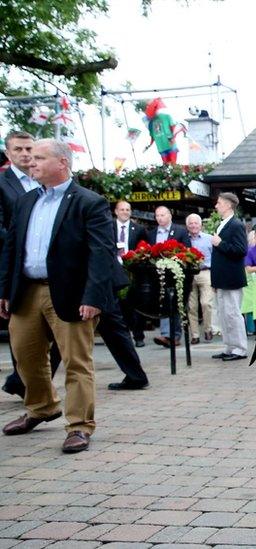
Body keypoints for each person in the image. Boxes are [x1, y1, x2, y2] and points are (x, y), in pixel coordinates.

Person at [0, 139, 116, 453]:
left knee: (76, 362)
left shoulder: (88, 202)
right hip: (26, 291)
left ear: (62, 163)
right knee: (25, 356)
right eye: (29, 157)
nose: (30, 162)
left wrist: (93, 296)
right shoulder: (25, 201)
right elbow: (12, 247)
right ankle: (42, 406)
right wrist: (5, 290)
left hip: (71, 294)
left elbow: (101, 253)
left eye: (39, 157)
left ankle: (79, 426)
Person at [0, 131, 58, 398]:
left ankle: (26, 384)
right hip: (16, 270)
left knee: (58, 337)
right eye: (19, 149)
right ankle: (29, 390)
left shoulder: (48, 183)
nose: (25, 155)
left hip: (53, 273)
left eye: (29, 149)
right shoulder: (3, 184)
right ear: (8, 153)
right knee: (22, 337)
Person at [210, 192, 248, 362]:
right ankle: (229, 346)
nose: (216, 206)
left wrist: (220, 243)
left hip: (232, 278)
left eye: (219, 203)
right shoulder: (223, 224)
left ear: (227, 205)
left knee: (233, 313)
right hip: (222, 278)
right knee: (224, 314)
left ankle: (240, 348)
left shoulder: (236, 225)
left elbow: (241, 250)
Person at [149, 205, 190, 347]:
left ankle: (171, 335)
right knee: (163, 303)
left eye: (162, 215)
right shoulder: (151, 233)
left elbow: (187, 250)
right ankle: (169, 335)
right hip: (157, 274)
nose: (160, 218)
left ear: (170, 215)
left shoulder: (180, 231)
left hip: (175, 274)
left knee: (173, 303)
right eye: (157, 215)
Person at [114, 200, 149, 347]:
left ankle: (138, 336)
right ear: (116, 211)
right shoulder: (108, 227)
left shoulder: (139, 229)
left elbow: (145, 248)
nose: (125, 212)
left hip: (133, 271)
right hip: (115, 269)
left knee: (135, 303)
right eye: (122, 209)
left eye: (127, 210)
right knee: (118, 305)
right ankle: (122, 336)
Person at [185, 213, 214, 344]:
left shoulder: (209, 239)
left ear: (201, 224)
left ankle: (208, 329)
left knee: (206, 303)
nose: (193, 225)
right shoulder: (184, 239)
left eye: (196, 223)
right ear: (187, 225)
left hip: (205, 272)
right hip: (189, 274)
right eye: (190, 223)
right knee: (191, 306)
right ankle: (195, 334)